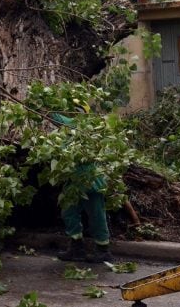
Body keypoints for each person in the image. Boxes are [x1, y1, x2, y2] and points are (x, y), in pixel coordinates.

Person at [51, 100, 113, 263]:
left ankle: (102, 250)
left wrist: (44, 101)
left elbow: (54, 116)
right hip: (74, 182)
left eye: (74, 111)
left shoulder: (80, 126)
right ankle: (77, 247)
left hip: (90, 181)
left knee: (95, 215)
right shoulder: (80, 128)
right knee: (70, 213)